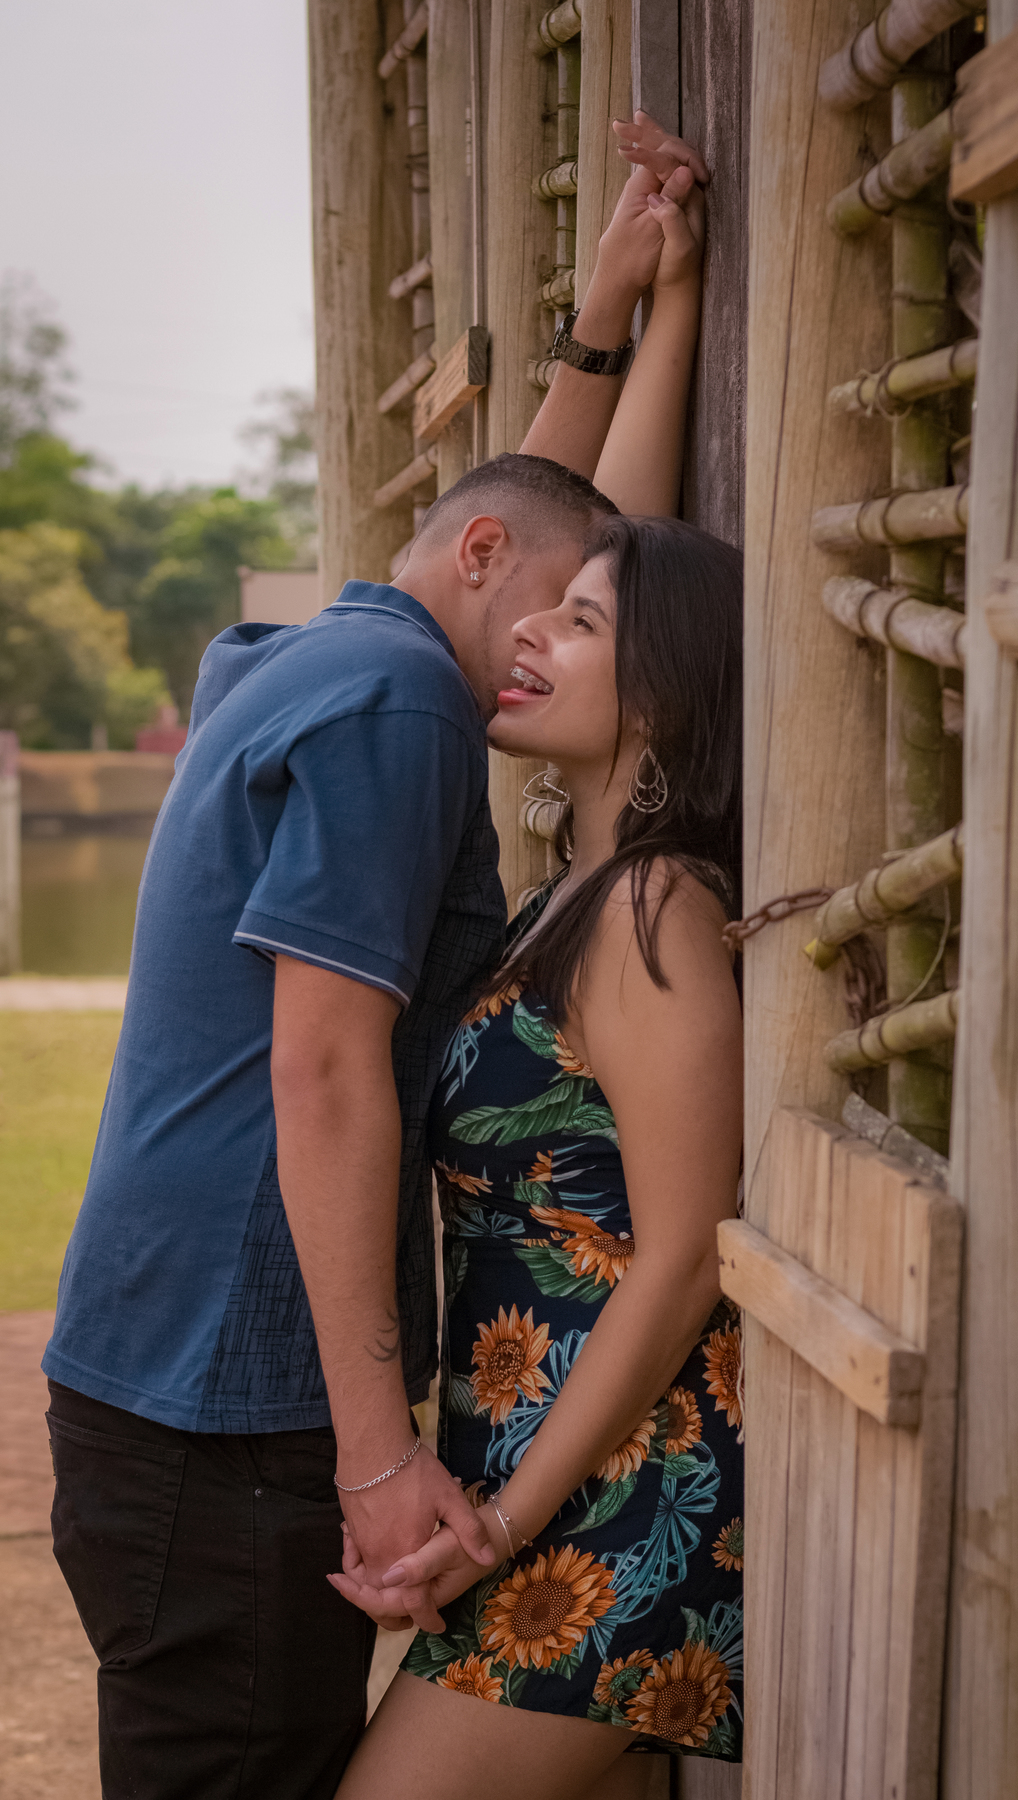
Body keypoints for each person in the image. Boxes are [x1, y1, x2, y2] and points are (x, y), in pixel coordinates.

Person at [41, 113, 710, 1800]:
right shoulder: (402, 699)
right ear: (480, 568)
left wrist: (620, 320)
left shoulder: (310, 657)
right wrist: (373, 1456)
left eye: (584, 629)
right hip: (232, 1410)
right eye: (545, 611)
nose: (544, 646)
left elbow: (561, 548)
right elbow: (327, 1062)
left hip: (163, 1382)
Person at [326, 415, 744, 1799]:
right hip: (545, 1488)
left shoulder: (653, 909)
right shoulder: (569, 897)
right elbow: (613, 532)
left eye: (579, 623)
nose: (532, 633)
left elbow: (680, 1258)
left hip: (622, 1509)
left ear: (667, 685)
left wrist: (507, 1524)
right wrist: (627, 321)